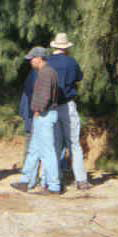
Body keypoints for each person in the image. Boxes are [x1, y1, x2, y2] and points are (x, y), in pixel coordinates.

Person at [11, 47, 61, 196]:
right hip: (42, 114)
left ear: (39, 58)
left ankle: (53, 186)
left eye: (32, 58)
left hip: (44, 115)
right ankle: (26, 181)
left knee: (47, 152)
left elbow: (45, 96)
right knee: (33, 150)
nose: (30, 61)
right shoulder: (45, 72)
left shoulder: (46, 73)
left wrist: (38, 110)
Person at [47, 32, 92, 191]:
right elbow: (78, 77)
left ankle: (54, 180)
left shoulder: (48, 62)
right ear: (66, 47)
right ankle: (81, 180)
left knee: (55, 144)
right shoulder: (71, 62)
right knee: (74, 143)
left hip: (51, 107)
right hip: (68, 104)